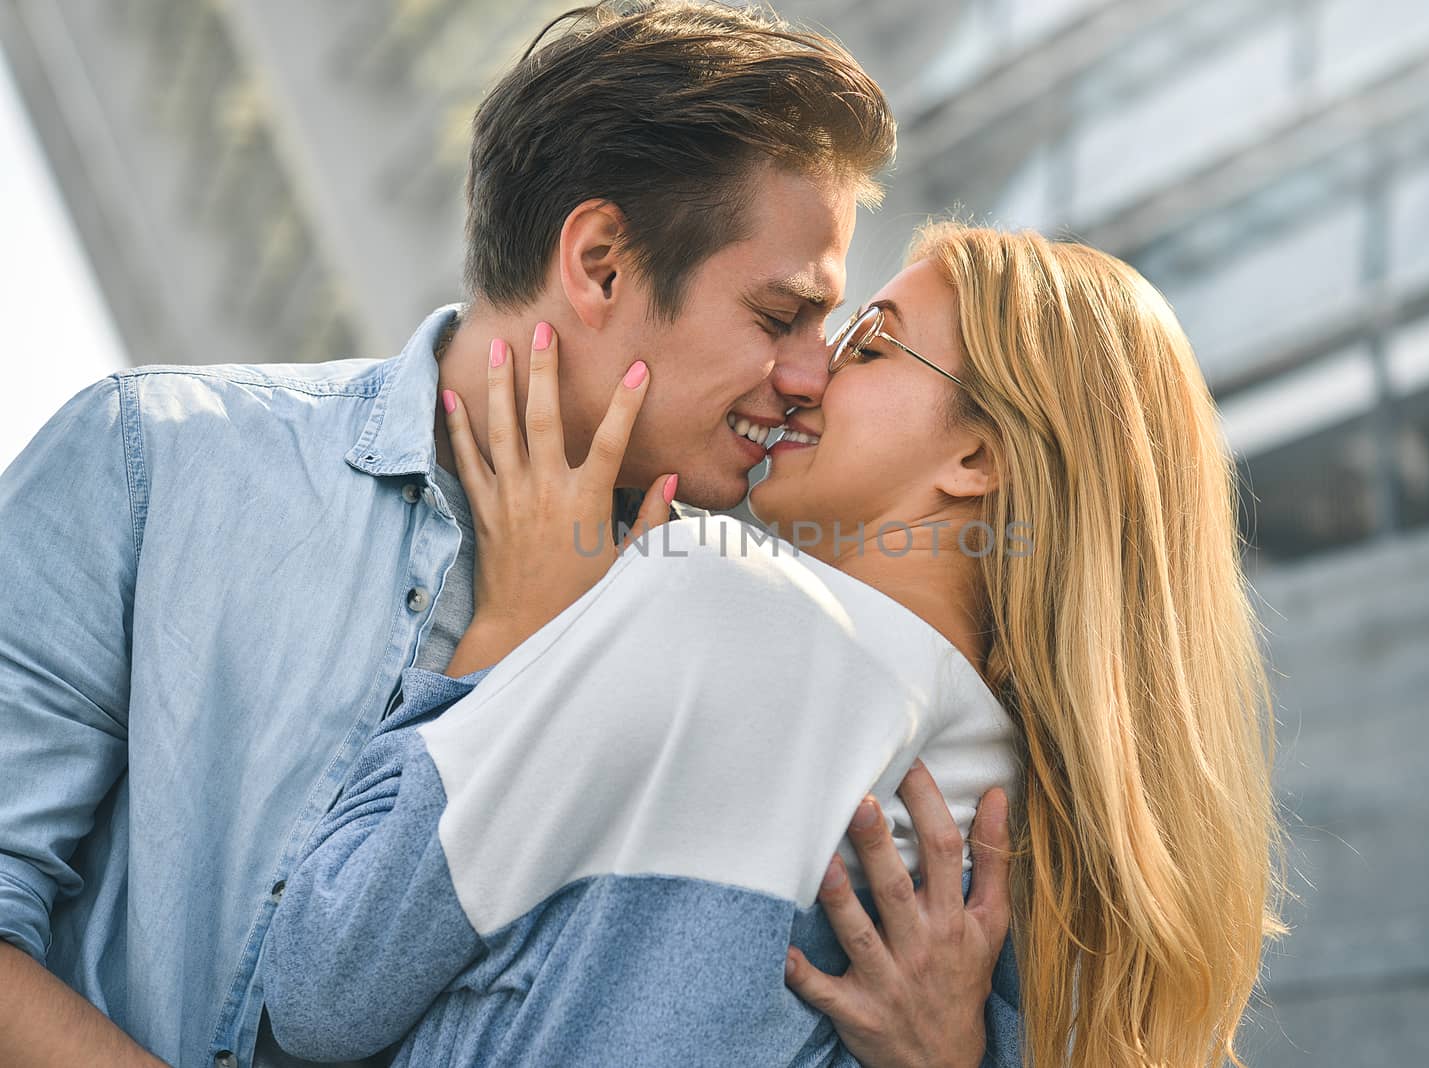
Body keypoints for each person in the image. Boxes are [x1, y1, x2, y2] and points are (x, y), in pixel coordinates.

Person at [0, 5, 1010, 1066]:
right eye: (776, 317)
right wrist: (513, 643)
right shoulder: (160, 465)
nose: (812, 378)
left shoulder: (758, 625)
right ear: (602, 262)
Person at [260, 223, 1286, 1068]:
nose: (805, 379)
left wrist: (509, 634)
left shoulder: (715, 599)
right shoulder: (1041, 859)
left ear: (978, 456)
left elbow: (325, 976)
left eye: (869, 348)